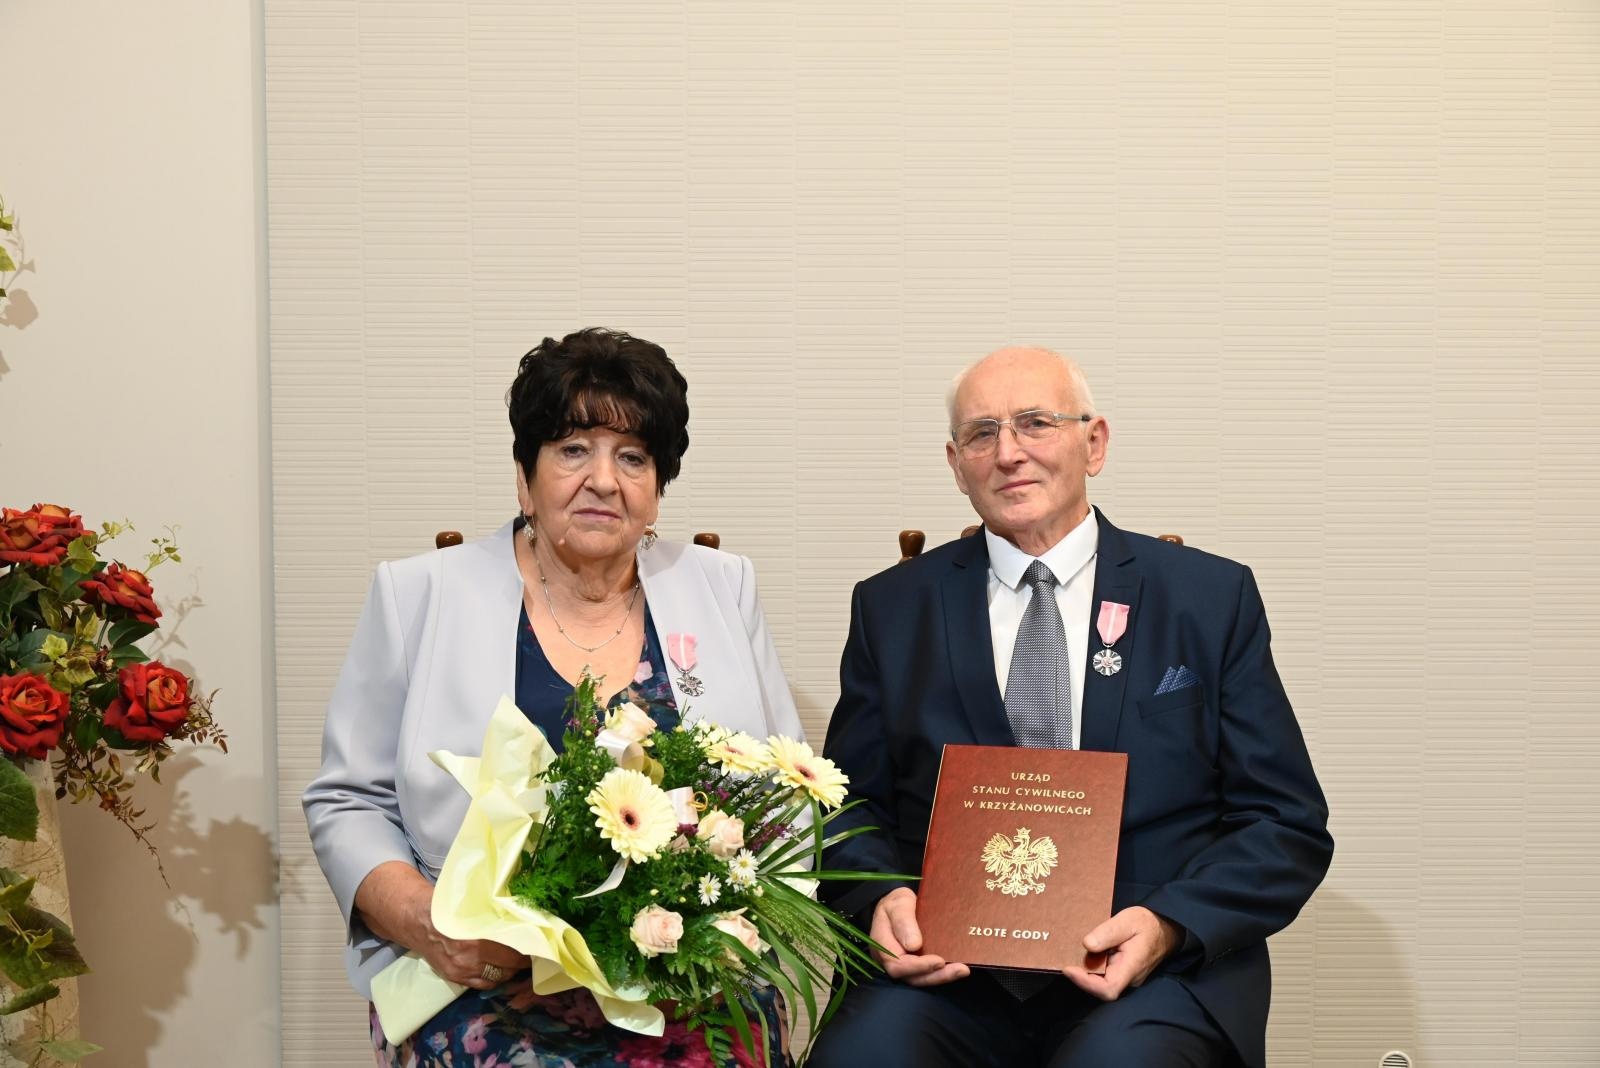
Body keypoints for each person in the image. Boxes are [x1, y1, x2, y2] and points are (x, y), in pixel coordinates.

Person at [810, 346, 1333, 1068]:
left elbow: (1285, 822)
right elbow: (844, 804)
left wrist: (1168, 926)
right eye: (982, 434)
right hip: (946, 974)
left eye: (1035, 423)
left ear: (1095, 443)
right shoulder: (892, 609)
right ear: (957, 463)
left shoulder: (1208, 600)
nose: (1009, 452)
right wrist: (880, 899)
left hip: (1151, 972)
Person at [304, 327, 802, 1067]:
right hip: (479, 975)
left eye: (632, 456)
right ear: (523, 474)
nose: (603, 479)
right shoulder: (418, 596)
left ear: (658, 485)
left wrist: (718, 925)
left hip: (682, 976)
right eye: (573, 449)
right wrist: (429, 924)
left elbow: (781, 796)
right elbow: (348, 801)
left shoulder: (722, 587)